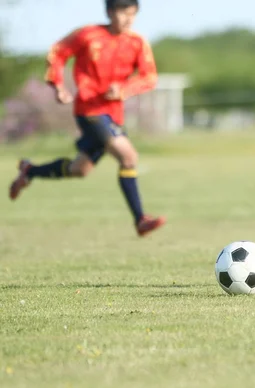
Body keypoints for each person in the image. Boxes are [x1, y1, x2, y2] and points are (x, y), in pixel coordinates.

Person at [9, 0, 166, 237]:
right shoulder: (88, 35)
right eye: (124, 13)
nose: (129, 19)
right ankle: (140, 220)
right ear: (110, 12)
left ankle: (30, 171)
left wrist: (124, 88)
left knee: (79, 169)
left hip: (113, 114)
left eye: (133, 14)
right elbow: (57, 52)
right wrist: (58, 86)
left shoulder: (137, 42)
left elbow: (149, 77)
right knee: (128, 156)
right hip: (89, 111)